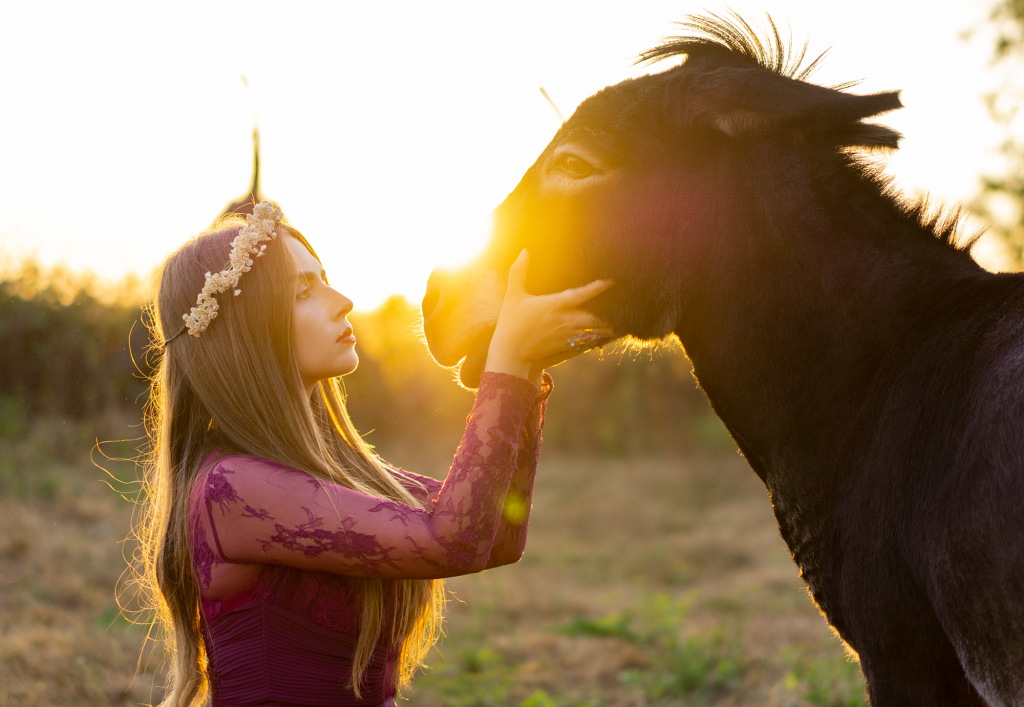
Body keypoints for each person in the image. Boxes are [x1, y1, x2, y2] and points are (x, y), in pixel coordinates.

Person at [137, 202, 613, 707]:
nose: (343, 301)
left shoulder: (330, 471)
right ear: (243, 329)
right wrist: (508, 366)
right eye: (303, 291)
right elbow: (453, 541)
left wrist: (526, 370)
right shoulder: (231, 488)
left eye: (326, 280)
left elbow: (498, 537)